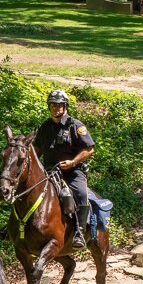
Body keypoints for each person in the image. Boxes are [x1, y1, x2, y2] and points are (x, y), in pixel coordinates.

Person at [34, 90, 95, 249]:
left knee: (81, 193)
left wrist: (73, 162)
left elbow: (89, 149)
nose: (56, 108)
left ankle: (79, 233)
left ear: (65, 105)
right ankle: (13, 229)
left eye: (59, 105)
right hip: (49, 173)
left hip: (72, 172)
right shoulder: (45, 127)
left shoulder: (76, 125)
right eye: (52, 105)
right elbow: (37, 151)